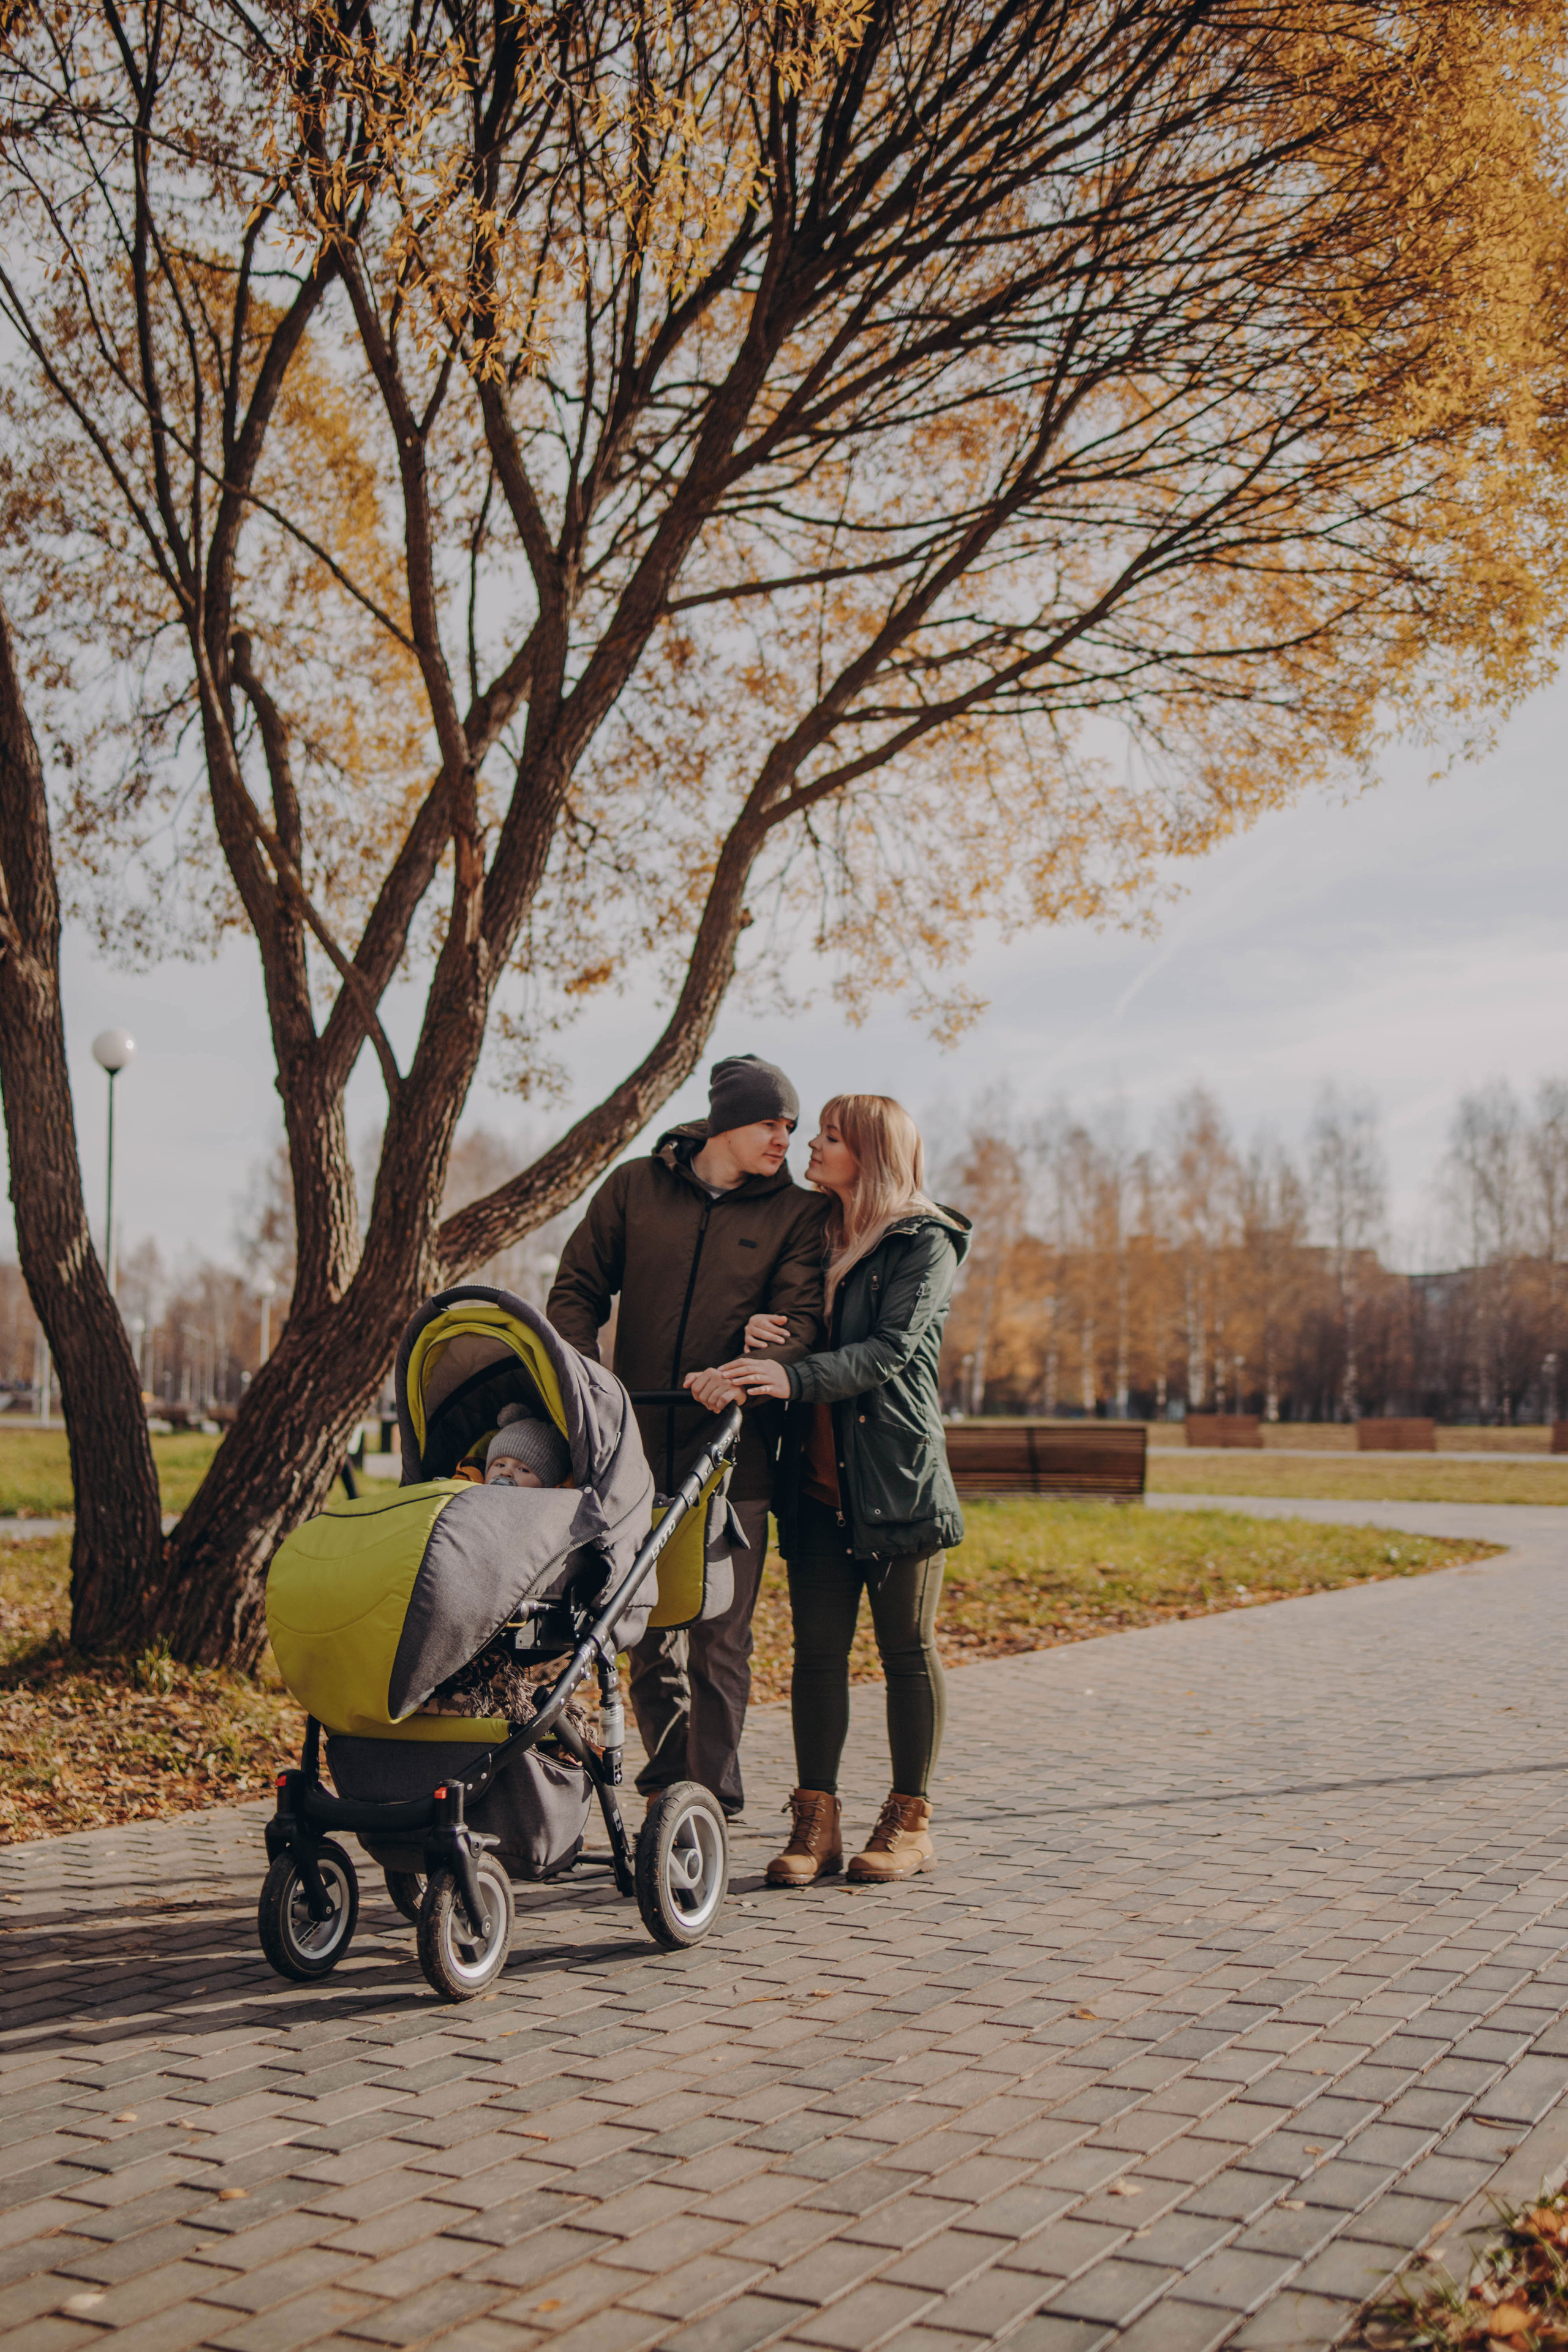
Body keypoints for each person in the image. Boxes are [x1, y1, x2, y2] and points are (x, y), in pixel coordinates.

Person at [546, 1054, 827, 1817]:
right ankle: (670, 1779)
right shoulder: (635, 1188)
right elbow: (576, 1288)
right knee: (639, 1627)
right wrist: (586, 1388)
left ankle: (710, 1795)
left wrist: (742, 1368)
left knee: (719, 1632)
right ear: (727, 1122)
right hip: (630, 1449)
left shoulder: (797, 1215)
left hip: (737, 1453)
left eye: (792, 1127)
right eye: (772, 1122)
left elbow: (800, 1322)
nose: (785, 1139)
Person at [715, 1095, 970, 1885]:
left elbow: (888, 1352)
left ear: (872, 1152)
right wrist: (769, 1331)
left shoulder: (924, 1242)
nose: (810, 1147)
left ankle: (908, 1821)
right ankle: (815, 1823)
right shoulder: (818, 1234)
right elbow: (803, 1326)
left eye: (829, 1137)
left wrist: (789, 1376)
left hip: (895, 1481)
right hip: (815, 1484)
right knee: (818, 1656)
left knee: (905, 1652)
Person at [484, 1402, 573, 1490]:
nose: (506, 1472)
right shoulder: (471, 1484)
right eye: (500, 1465)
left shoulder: (555, 1504)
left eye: (523, 1470)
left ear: (547, 1487)